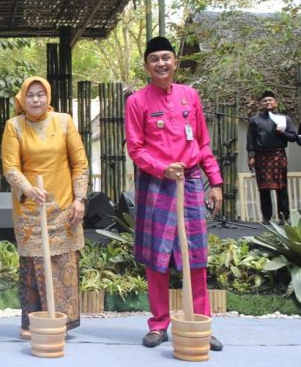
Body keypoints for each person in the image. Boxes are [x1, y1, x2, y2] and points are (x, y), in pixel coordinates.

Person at [124, 36, 223, 351]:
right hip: (155, 184)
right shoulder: (136, 101)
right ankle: (158, 324)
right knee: (157, 258)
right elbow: (136, 149)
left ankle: (200, 324)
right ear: (147, 66)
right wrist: (161, 168)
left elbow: (203, 143)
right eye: (154, 59)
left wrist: (216, 182)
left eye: (166, 57)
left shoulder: (190, 96)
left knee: (195, 256)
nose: (161, 64)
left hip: (191, 182)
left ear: (175, 62)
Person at [1, 76, 88, 340]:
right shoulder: (14, 126)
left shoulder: (64, 122)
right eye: (30, 95)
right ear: (22, 99)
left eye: (40, 94)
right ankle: (33, 323)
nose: (36, 99)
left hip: (64, 207)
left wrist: (80, 199)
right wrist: (27, 188)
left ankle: (63, 321)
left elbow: (80, 164)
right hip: (31, 208)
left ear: (48, 97)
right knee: (33, 267)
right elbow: (10, 167)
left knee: (63, 265)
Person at [247, 90, 298, 225]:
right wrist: (251, 156)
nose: (267, 102)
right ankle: (267, 218)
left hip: (278, 155)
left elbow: (293, 137)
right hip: (261, 156)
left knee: (282, 187)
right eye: (265, 101)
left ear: (276, 102)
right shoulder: (255, 120)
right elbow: (250, 140)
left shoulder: (284, 119)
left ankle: (284, 217)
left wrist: (282, 132)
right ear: (261, 104)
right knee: (263, 189)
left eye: (270, 100)